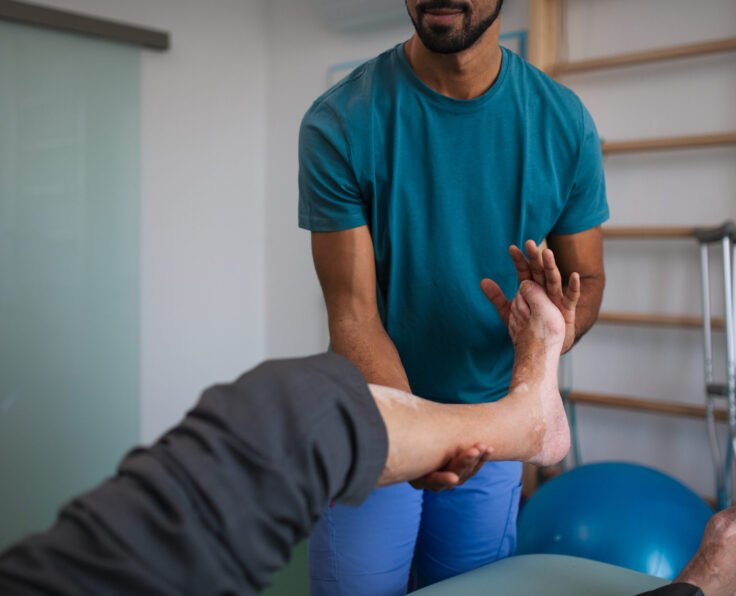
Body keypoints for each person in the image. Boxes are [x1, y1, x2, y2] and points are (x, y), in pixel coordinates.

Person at [0, 284, 731, 596]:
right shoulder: (349, 117)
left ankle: (520, 418)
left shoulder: (551, 120)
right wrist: (699, 583)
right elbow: (350, 307)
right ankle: (520, 419)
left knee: (296, 401)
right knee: (295, 407)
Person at [298, 0, 609, 591]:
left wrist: (551, 331)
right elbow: (354, 315)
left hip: (492, 426)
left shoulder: (563, 121)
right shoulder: (341, 119)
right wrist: (422, 440)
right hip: (377, 417)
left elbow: (585, 281)